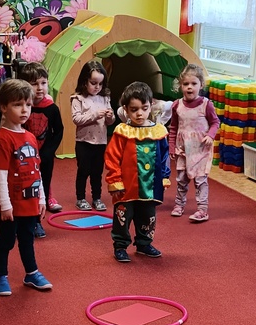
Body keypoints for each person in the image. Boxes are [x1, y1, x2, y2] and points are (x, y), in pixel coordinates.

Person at [0, 79, 51, 296]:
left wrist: (41, 199)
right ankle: (0, 276)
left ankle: (31, 273)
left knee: (27, 239)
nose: (24, 109)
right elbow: (0, 175)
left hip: (31, 202)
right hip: (13, 205)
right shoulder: (2, 139)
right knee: (6, 241)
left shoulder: (31, 137)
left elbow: (36, 170)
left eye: (28, 104)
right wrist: (6, 205)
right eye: (17, 104)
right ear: (3, 107)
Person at [104, 83, 170, 262]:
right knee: (123, 217)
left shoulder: (158, 131)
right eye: (134, 110)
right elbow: (112, 157)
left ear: (151, 106)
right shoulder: (122, 132)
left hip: (150, 186)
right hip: (126, 187)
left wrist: (164, 177)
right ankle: (120, 246)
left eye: (144, 108)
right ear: (125, 109)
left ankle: (144, 243)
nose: (139, 113)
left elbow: (164, 156)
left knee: (148, 216)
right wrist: (115, 180)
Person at [168, 63, 219, 222]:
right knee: (181, 179)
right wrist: (171, 146)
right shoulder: (177, 105)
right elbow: (173, 127)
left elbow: (215, 122)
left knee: (200, 180)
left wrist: (210, 135)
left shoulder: (206, 105)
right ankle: (179, 205)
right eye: (186, 84)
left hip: (201, 149)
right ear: (180, 86)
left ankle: (202, 210)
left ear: (201, 85)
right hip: (183, 149)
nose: (189, 87)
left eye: (193, 83)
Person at [22, 61, 65, 226]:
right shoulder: (24, 106)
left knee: (45, 178)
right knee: (28, 179)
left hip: (45, 152)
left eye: (43, 83)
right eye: (34, 84)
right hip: (26, 152)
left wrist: (49, 151)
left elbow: (58, 130)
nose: (39, 88)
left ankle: (47, 199)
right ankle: (29, 208)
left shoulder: (52, 108)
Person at [70, 59, 114, 211]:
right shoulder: (78, 98)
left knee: (97, 172)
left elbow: (110, 121)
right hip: (83, 142)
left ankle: (97, 198)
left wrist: (110, 116)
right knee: (83, 171)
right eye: (93, 83)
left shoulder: (105, 98)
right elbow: (76, 119)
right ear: (84, 81)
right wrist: (94, 115)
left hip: (100, 142)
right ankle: (80, 198)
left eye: (100, 84)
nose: (97, 87)